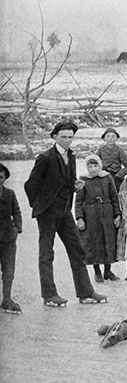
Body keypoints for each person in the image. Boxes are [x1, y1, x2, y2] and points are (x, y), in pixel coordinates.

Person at [24, 121, 107, 306]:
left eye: (70, 137)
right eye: (64, 137)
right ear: (54, 137)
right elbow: (30, 185)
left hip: (65, 212)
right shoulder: (45, 158)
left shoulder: (71, 155)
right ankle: (49, 295)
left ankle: (85, 293)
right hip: (47, 213)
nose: (68, 141)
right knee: (47, 253)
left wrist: (75, 185)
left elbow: (65, 181)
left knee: (77, 250)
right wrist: (39, 207)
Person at [75, 154, 122, 282]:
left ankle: (108, 270)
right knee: (94, 242)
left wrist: (117, 215)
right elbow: (78, 201)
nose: (93, 169)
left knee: (108, 240)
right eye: (90, 166)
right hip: (91, 215)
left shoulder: (107, 178)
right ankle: (97, 271)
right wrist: (79, 218)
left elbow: (114, 197)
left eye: (95, 165)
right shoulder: (83, 180)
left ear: (100, 165)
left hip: (107, 213)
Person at [0, 163, 23, 314]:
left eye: (1, 177)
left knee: (8, 270)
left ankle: (6, 299)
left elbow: (17, 212)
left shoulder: (10, 194)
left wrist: (17, 228)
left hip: (8, 237)